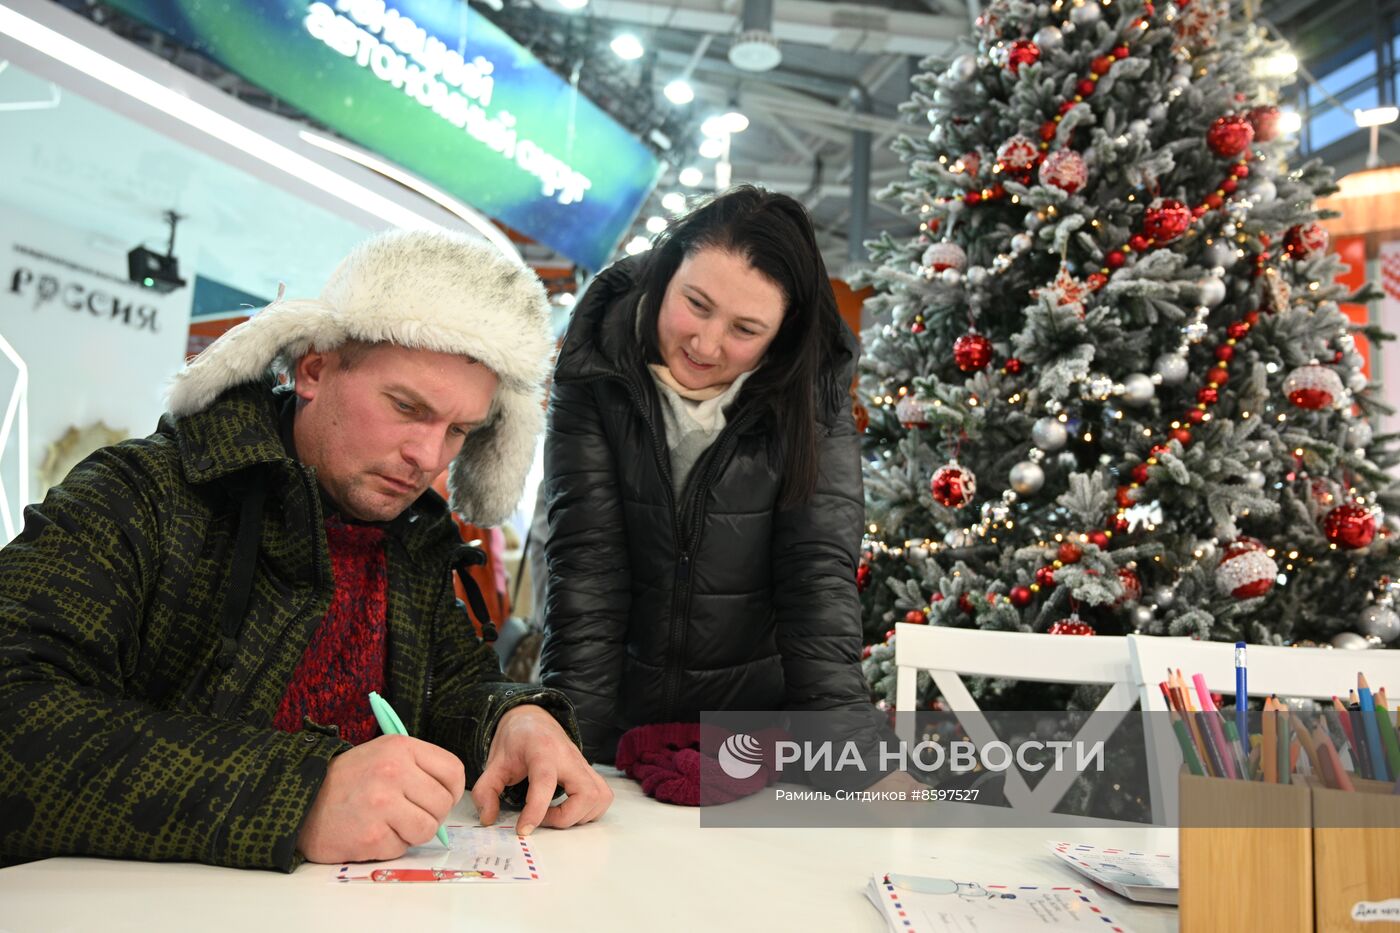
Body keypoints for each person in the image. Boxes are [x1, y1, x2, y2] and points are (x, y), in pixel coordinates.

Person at [0, 229, 611, 871]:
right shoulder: (141, 495)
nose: (427, 458)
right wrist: (296, 796)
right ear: (313, 367)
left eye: (458, 430)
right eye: (406, 407)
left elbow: (454, 684)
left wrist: (513, 720)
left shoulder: (414, 541)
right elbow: (14, 714)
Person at [539, 185, 883, 771]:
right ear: (665, 273)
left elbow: (817, 579)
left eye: (745, 330)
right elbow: (588, 566)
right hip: (618, 729)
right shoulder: (599, 361)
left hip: (752, 743)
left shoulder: (810, 397)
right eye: (695, 304)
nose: (705, 343)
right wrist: (569, 748)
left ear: (784, 333)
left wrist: (853, 756)